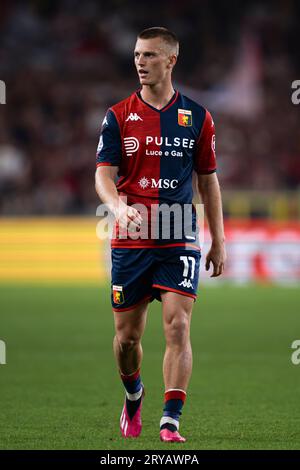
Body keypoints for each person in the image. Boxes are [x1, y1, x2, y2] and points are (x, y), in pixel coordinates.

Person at [95, 27, 226, 443]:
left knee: (178, 327)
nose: (140, 61)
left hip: (179, 236)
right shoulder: (117, 115)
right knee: (127, 339)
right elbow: (103, 175)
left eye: (150, 55)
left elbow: (209, 182)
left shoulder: (198, 117)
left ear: (171, 61)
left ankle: (170, 419)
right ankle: (134, 394)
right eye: (137, 54)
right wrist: (117, 206)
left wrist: (218, 240)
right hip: (131, 239)